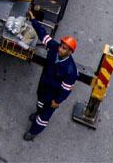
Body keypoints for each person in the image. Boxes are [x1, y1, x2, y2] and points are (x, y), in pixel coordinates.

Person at [24, 10, 80, 141]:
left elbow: (66, 89)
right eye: (61, 46)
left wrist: (57, 101)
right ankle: (37, 112)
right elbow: (42, 34)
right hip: (43, 85)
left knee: (44, 117)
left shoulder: (71, 70)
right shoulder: (54, 47)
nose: (60, 49)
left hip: (53, 95)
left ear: (70, 52)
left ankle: (33, 131)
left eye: (64, 48)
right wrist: (33, 20)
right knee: (39, 103)